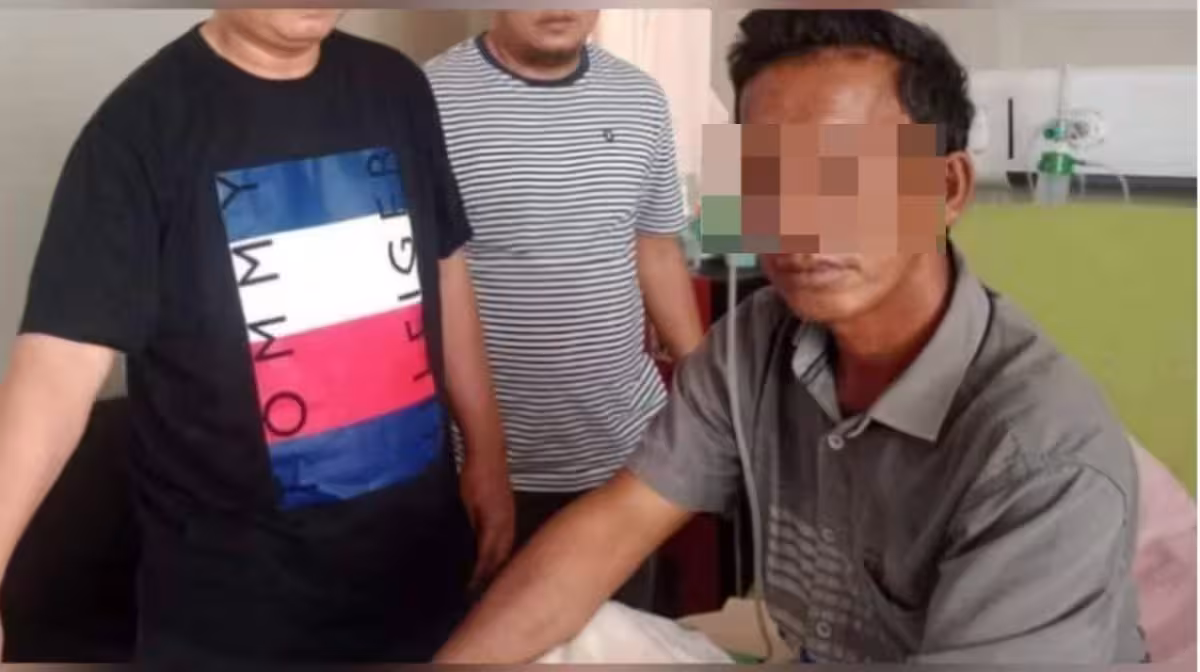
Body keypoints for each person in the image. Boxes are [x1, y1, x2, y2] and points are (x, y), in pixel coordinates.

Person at [433, 10, 1146, 665]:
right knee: (567, 640)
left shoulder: (1042, 460)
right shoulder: (754, 341)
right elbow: (608, 533)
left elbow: (654, 246)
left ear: (948, 189)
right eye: (767, 174)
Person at [0, 10, 515, 664]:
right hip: (239, 618)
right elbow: (58, 367)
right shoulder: (139, 129)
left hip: (420, 583)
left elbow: (443, 266)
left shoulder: (396, 87)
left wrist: (488, 453)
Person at [424, 10, 703, 611]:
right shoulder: (428, 100)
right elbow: (424, 280)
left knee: (623, 639)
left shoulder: (640, 98)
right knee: (493, 638)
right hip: (482, 465)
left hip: (626, 457)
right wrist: (483, 457)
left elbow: (656, 248)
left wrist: (709, 392)